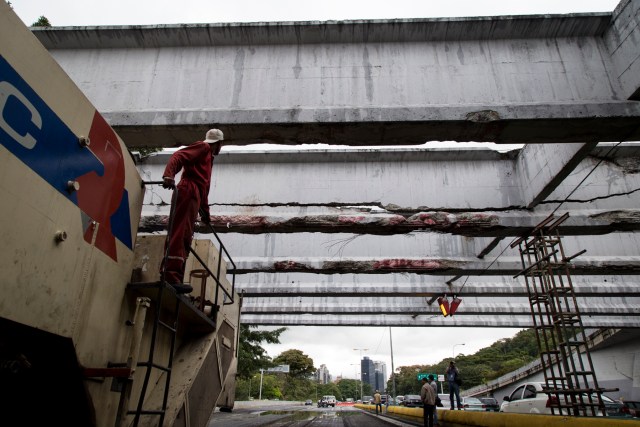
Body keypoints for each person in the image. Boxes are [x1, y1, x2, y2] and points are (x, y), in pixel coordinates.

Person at [160, 128, 224, 293]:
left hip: (195, 194)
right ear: (218, 144)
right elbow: (179, 155)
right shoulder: (203, 148)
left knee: (185, 235)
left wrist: (205, 213)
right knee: (180, 232)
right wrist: (169, 175)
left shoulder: (209, 157)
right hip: (188, 190)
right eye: (220, 144)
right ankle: (170, 276)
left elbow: (205, 188)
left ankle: (175, 276)